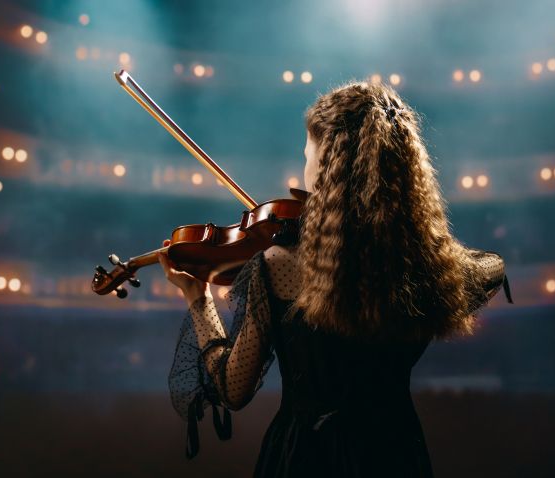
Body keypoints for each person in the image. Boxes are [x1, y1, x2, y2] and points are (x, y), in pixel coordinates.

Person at [157, 81, 512, 477]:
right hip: (395, 454)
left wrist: (197, 295)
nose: (304, 167)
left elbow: (231, 387)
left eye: (307, 154)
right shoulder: (426, 265)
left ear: (328, 166)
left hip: (306, 457)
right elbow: (492, 267)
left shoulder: (279, 264)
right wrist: (429, 245)